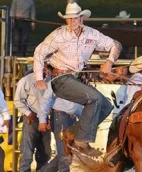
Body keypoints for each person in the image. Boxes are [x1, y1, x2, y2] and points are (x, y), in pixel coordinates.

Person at [33, 2, 122, 157]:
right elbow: (39, 52)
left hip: (75, 78)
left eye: (74, 18)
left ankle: (73, 133)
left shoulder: (92, 34)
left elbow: (116, 44)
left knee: (106, 106)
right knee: (94, 99)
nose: (71, 22)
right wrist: (39, 77)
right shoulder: (59, 34)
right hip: (60, 78)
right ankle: (82, 140)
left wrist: (109, 62)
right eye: (69, 19)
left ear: (81, 18)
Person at [31, 76, 83, 172]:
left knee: (65, 153)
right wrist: (42, 120)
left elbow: (78, 105)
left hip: (69, 118)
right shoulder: (57, 81)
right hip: (61, 117)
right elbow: (46, 101)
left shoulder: (74, 81)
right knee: (65, 153)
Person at [14, 66, 52, 172]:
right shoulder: (26, 80)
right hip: (32, 117)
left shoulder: (50, 80)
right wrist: (27, 113)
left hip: (45, 118)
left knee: (44, 152)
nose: (47, 71)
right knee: (27, 151)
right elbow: (18, 100)